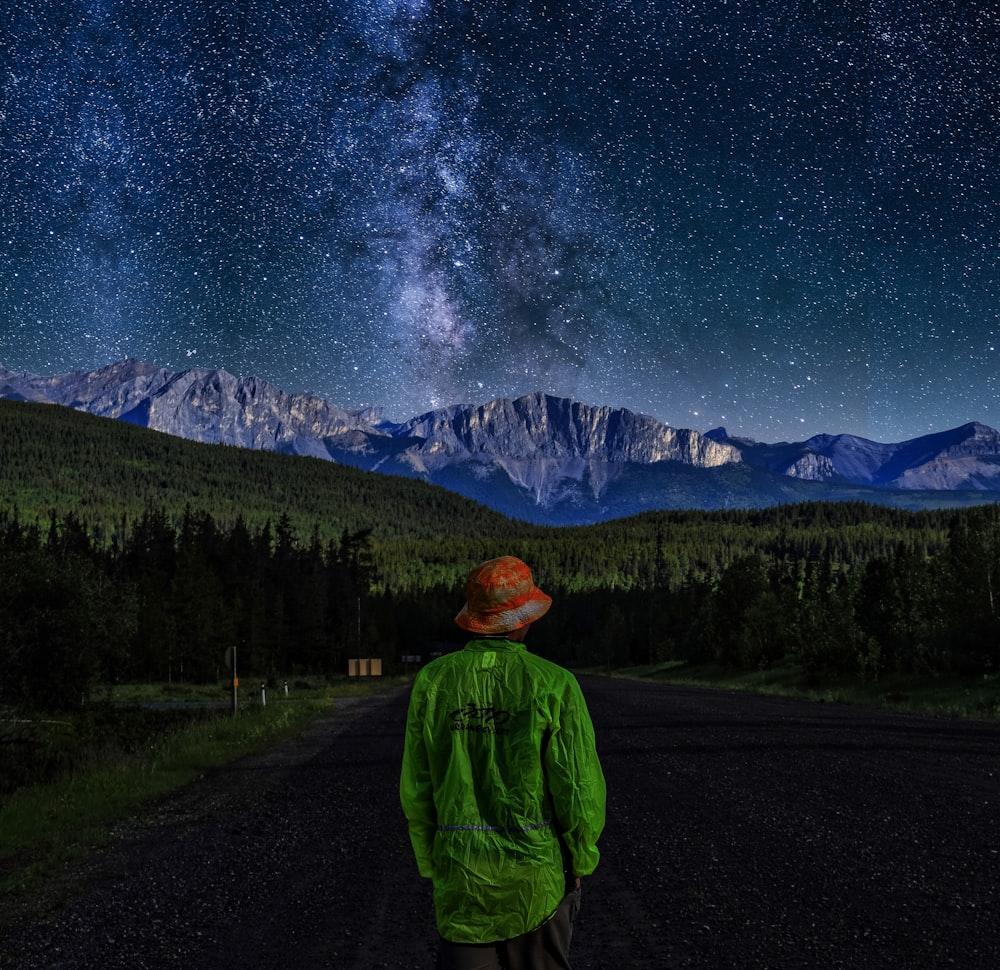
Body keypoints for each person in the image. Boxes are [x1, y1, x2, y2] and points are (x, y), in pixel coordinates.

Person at [400, 556, 607, 970]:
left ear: (474, 619)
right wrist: (581, 858)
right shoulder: (554, 684)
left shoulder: (433, 682)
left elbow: (417, 786)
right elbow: (577, 788)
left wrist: (431, 860)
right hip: (537, 886)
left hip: (461, 881)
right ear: (523, 620)